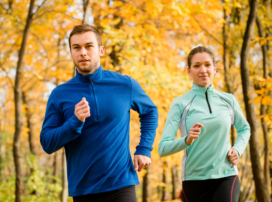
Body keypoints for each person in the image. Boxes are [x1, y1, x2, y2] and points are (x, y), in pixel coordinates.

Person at [40, 24, 158, 202]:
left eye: (89, 46)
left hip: (121, 184)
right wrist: (74, 122)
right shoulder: (59, 94)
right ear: (71, 53)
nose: (83, 52)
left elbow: (150, 111)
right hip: (83, 190)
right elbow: (47, 143)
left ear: (101, 50)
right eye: (76, 47)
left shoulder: (125, 85)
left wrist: (144, 148)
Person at [158, 46, 250, 202]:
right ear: (188, 71)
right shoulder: (180, 103)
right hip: (193, 180)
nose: (203, 70)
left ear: (215, 69)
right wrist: (186, 140)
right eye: (196, 65)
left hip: (226, 175)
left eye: (207, 65)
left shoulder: (228, 100)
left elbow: (244, 129)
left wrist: (237, 150)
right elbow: (162, 149)